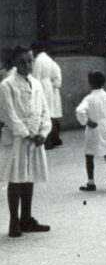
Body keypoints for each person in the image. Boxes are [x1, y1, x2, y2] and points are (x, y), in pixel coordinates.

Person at [0, 46, 51, 238]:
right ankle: (14, 221)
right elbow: (8, 114)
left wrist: (43, 133)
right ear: (14, 62)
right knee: (16, 177)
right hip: (17, 139)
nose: (27, 65)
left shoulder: (36, 83)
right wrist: (27, 134)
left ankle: (26, 218)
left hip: (35, 138)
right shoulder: (7, 85)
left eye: (30, 61)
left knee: (29, 176)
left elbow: (45, 110)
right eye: (22, 62)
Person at [74, 71, 106, 192]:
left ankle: (91, 182)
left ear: (90, 83)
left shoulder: (89, 98)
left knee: (89, 155)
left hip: (94, 128)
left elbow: (80, 110)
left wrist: (86, 121)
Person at [30, 41, 63, 150]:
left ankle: (48, 141)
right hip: (48, 86)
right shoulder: (49, 59)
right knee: (49, 113)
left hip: (42, 86)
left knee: (43, 113)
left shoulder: (38, 60)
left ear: (35, 50)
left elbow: (35, 76)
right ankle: (53, 139)